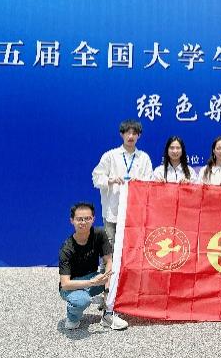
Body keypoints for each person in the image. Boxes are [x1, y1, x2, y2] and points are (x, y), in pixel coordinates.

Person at [58, 202, 128, 330]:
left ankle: (108, 315)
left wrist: (108, 288)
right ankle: (72, 318)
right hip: (72, 285)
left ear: (93, 219)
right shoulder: (66, 248)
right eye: (79, 219)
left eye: (87, 218)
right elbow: (65, 284)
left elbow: (108, 261)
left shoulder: (99, 234)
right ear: (72, 221)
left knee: (120, 278)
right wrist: (92, 282)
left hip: (94, 278)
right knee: (82, 300)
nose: (83, 222)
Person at [92, 119, 153, 248]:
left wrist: (139, 183)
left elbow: (149, 183)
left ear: (139, 136)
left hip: (135, 211)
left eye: (134, 133)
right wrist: (111, 180)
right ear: (121, 134)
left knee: (133, 247)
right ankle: (109, 263)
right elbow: (96, 177)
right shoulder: (111, 155)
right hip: (113, 210)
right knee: (110, 246)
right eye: (127, 133)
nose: (131, 136)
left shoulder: (144, 158)